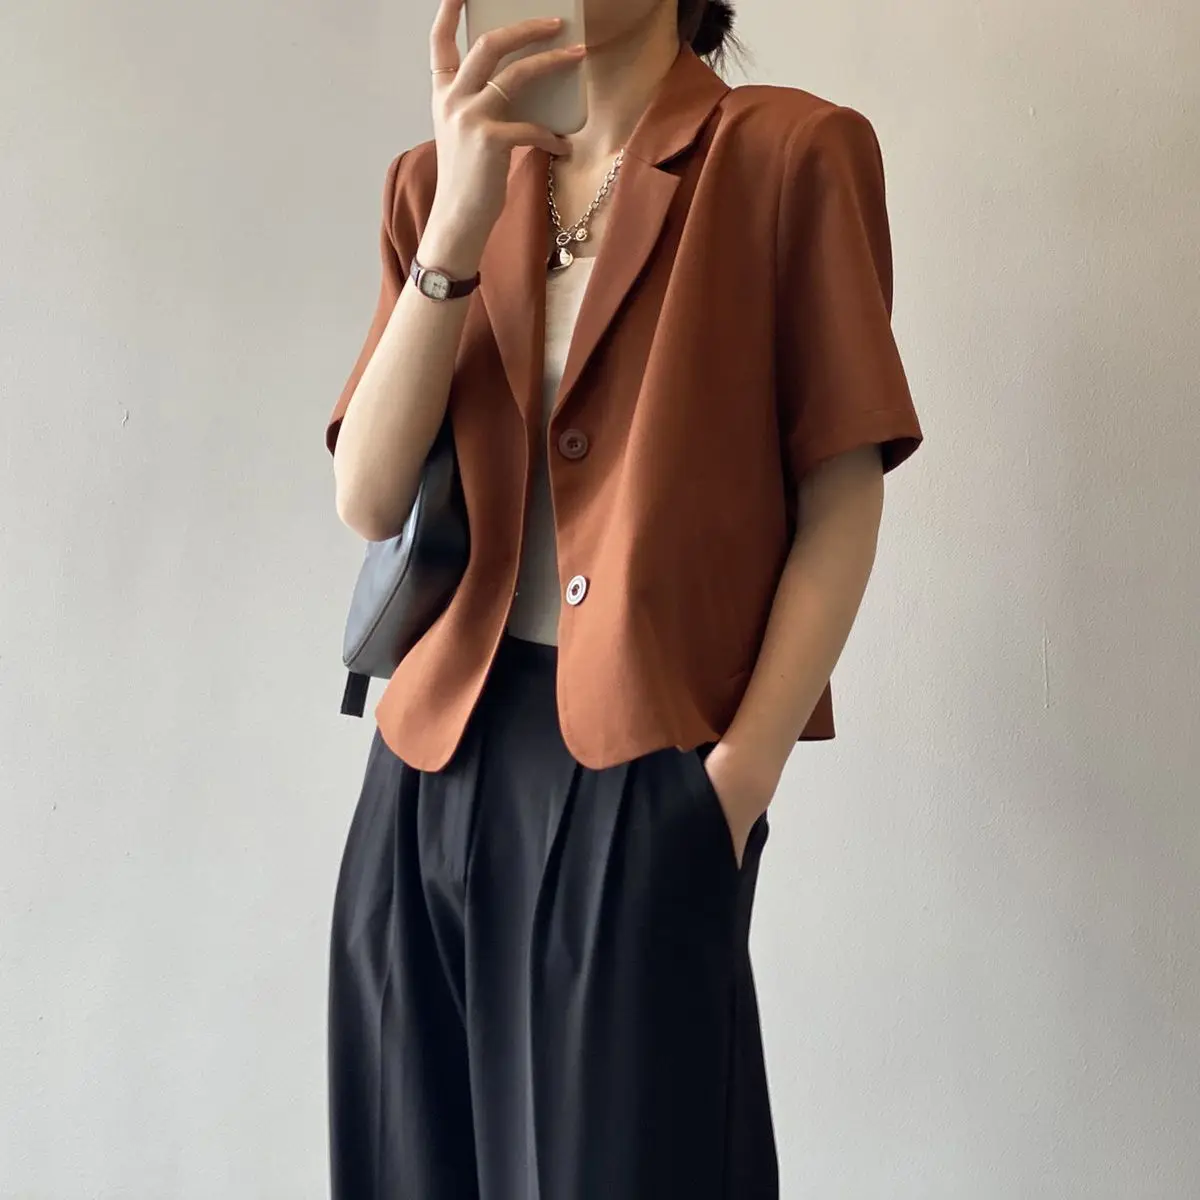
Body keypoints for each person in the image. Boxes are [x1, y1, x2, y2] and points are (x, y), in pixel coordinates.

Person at [324, 0, 923, 1195]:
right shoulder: (437, 182)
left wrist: (732, 790)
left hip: (643, 771)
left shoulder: (787, 156)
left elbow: (841, 502)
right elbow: (370, 496)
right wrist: (459, 217)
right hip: (428, 771)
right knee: (411, 1164)